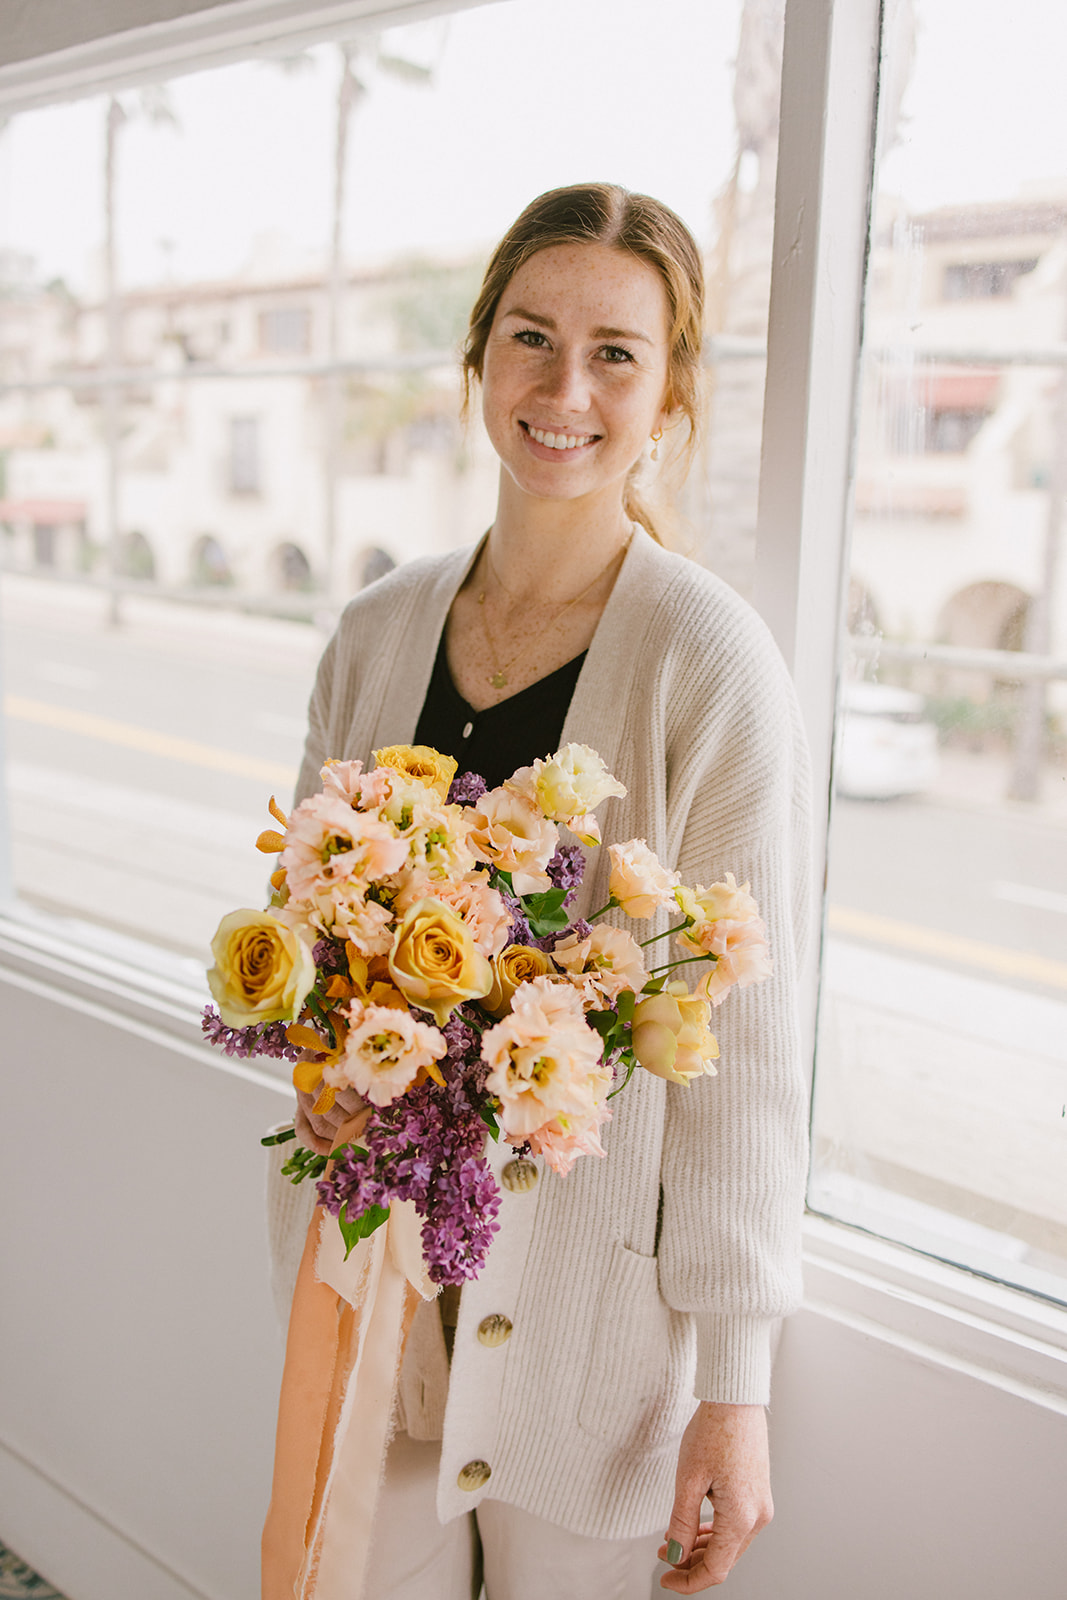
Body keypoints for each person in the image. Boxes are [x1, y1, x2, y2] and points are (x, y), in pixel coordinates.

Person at [269, 182, 812, 1599]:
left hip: (587, 1330)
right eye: (531, 337)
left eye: (617, 352)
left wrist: (736, 1388)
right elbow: (307, 932)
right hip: (377, 1279)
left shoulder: (710, 661)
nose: (566, 390)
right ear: (479, 359)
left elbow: (743, 1053)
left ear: (671, 389)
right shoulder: (378, 630)